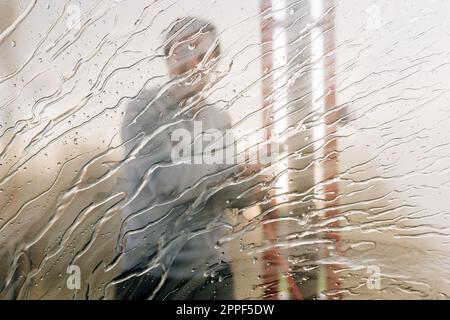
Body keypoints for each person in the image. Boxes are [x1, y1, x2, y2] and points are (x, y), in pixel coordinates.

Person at [116, 17, 240, 300]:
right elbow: (162, 179)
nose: (192, 62)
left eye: (203, 55)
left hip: (212, 275)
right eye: (182, 52)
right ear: (168, 59)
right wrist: (226, 167)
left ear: (213, 64)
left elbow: (226, 196)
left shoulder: (219, 119)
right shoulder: (143, 108)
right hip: (148, 275)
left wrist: (254, 183)